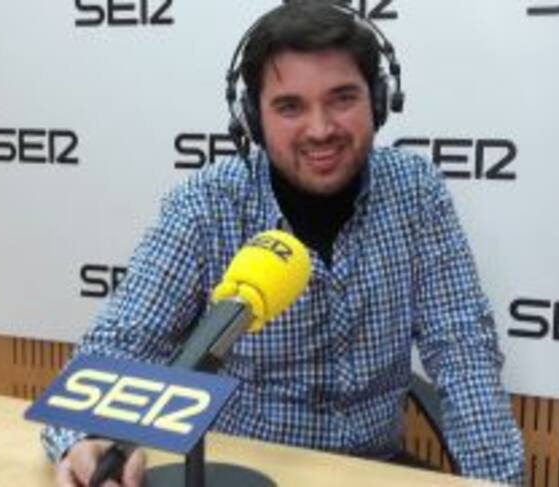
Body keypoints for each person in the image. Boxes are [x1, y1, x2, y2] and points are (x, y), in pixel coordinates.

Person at [42, 1, 525, 485]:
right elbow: (118, 346)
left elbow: (463, 349)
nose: (321, 129)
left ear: (377, 101)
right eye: (290, 107)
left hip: (372, 469)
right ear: (253, 118)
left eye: (342, 98)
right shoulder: (206, 206)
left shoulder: (416, 192)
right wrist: (84, 438)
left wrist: (496, 480)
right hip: (251, 471)